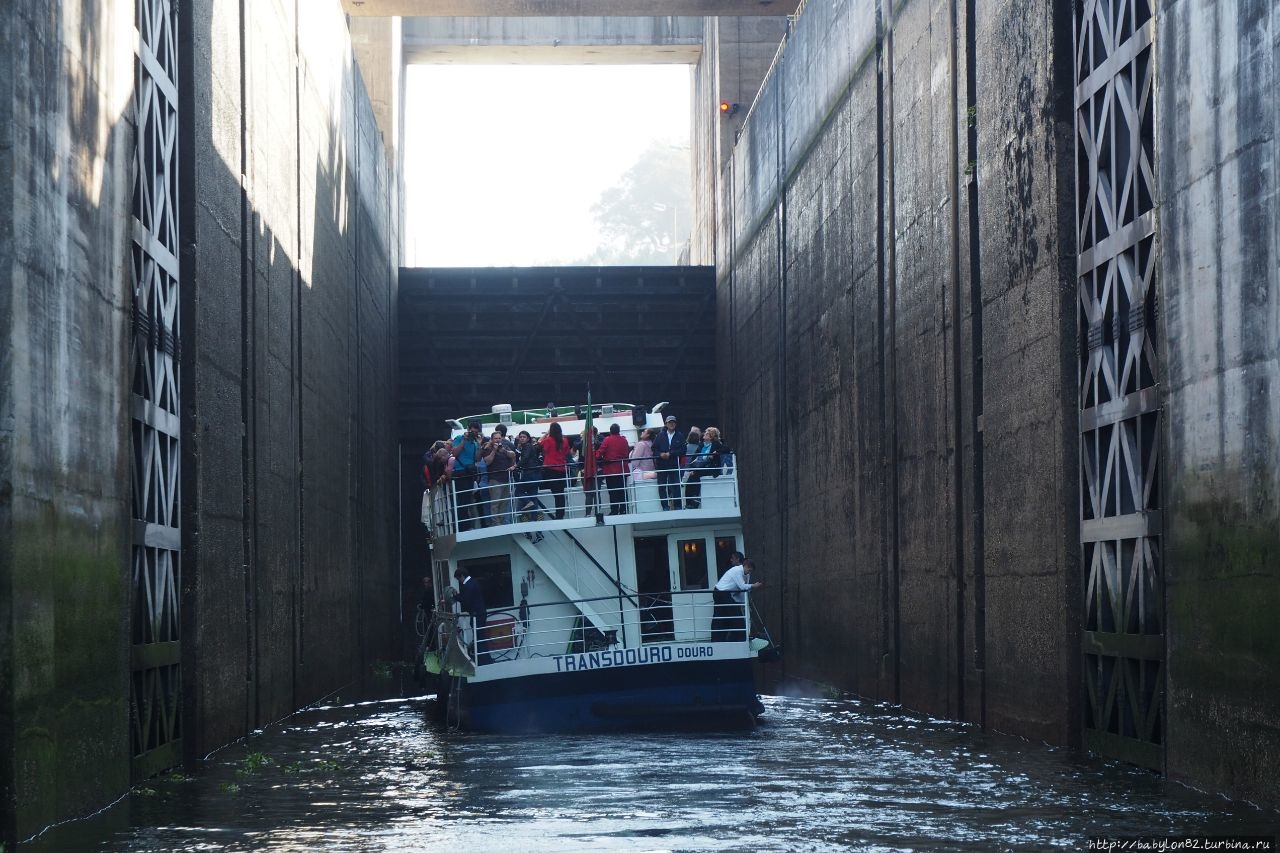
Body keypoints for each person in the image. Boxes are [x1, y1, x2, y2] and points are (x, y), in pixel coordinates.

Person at [712, 554, 761, 642]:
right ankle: (739, 637)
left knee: (723, 616)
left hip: (726, 594)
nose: (749, 573)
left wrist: (744, 603)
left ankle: (720, 639)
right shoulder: (737, 571)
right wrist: (753, 586)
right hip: (720, 593)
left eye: (751, 571)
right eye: (749, 570)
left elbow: (743, 590)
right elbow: (742, 586)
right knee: (734, 614)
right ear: (745, 566)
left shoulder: (746, 574)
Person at [682, 426, 725, 509]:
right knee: (690, 478)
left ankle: (695, 499)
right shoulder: (701, 445)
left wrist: (716, 453)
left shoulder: (716, 444)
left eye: (706, 433)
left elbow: (726, 449)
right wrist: (691, 469)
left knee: (696, 474)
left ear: (711, 436)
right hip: (700, 467)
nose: (704, 434)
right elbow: (694, 457)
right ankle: (689, 502)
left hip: (711, 468)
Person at [453, 567, 489, 664]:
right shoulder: (473, 582)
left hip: (477, 615)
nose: (459, 581)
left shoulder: (468, 585)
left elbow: (466, 601)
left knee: (478, 636)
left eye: (458, 579)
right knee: (480, 636)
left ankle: (483, 660)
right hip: (481, 613)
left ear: (462, 576)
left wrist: (456, 596)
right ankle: (485, 659)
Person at [451, 422, 483, 528]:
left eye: (475, 432)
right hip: (460, 472)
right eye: (471, 431)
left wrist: (479, 444)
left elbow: (477, 458)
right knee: (461, 500)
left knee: (468, 499)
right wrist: (464, 440)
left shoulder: (474, 443)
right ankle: (462, 525)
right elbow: (455, 453)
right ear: (468, 429)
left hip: (469, 473)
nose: (473, 433)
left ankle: (467, 524)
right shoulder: (459, 438)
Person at [595, 422, 632, 516]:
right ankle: (624, 509)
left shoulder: (608, 439)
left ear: (610, 431)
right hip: (623, 469)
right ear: (618, 431)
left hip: (611, 470)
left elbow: (599, 453)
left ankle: (614, 510)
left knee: (612, 491)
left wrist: (594, 455)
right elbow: (627, 453)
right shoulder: (624, 440)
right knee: (622, 490)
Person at [652, 415, 686, 510]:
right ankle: (665, 507)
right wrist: (661, 454)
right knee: (662, 486)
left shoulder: (680, 435)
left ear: (675, 424)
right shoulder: (660, 436)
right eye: (670, 422)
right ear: (666, 424)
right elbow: (654, 449)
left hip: (674, 464)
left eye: (673, 422)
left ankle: (678, 506)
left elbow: (683, 450)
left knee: (675, 485)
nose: (672, 424)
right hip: (662, 464)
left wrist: (670, 454)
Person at [481, 429, 516, 525]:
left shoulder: (505, 446)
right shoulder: (487, 449)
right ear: (492, 440)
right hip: (495, 479)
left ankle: (501, 522)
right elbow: (487, 461)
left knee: (504, 502)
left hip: (506, 478)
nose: (498, 440)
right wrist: (494, 451)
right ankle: (496, 523)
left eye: (499, 438)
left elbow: (513, 454)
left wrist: (503, 450)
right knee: (495, 503)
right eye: (495, 438)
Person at [539, 421, 571, 520]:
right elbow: (567, 453)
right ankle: (560, 514)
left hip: (551, 469)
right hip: (561, 469)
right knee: (560, 493)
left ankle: (559, 515)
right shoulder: (565, 440)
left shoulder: (548, 440)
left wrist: (546, 433)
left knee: (556, 493)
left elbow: (539, 443)